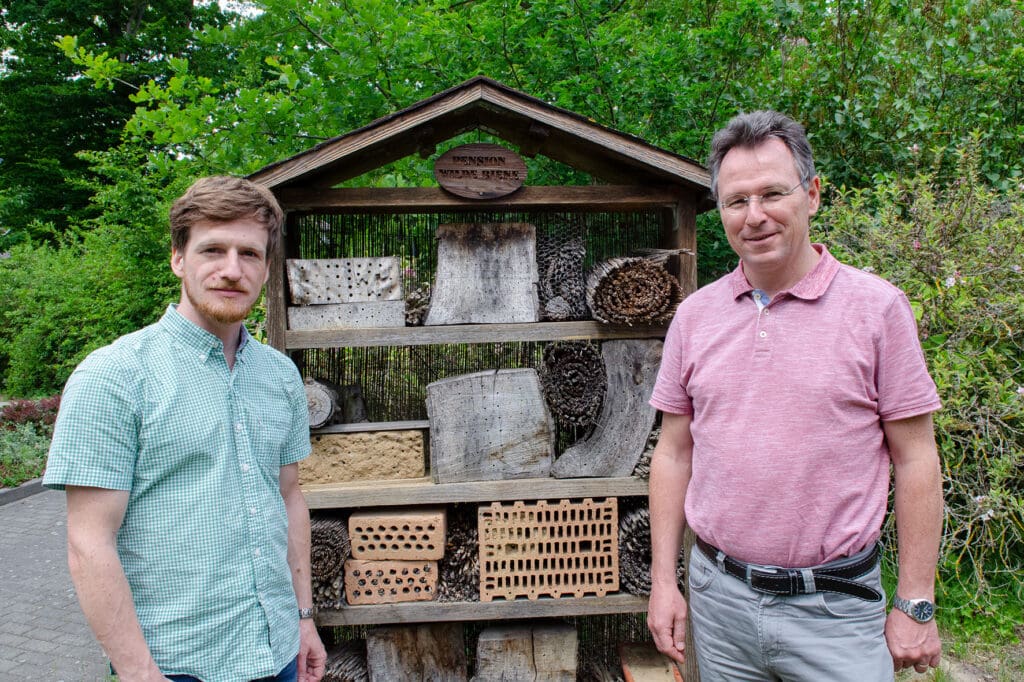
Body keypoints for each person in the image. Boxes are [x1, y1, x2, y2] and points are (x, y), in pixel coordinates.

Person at [647, 111, 943, 681]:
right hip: (719, 600)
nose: (754, 216)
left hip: (835, 609)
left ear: (811, 194)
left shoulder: (877, 310)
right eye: (736, 201)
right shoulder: (694, 317)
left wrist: (915, 601)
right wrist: (665, 583)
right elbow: (673, 453)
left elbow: (916, 459)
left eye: (772, 193)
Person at [43, 176, 327, 682]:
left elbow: (289, 498)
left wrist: (304, 619)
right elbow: (88, 541)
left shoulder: (281, 376)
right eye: (212, 249)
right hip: (177, 665)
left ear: (266, 270)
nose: (231, 270)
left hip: (278, 648)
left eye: (250, 254)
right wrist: (138, 672)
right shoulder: (113, 377)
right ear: (178, 258)